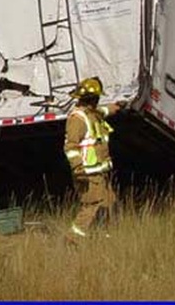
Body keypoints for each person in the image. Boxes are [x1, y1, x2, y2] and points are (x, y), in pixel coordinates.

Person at [63, 76, 125, 239]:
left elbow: (104, 111)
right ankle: (72, 240)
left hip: (100, 173)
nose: (98, 101)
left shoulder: (92, 113)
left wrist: (117, 107)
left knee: (110, 203)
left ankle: (107, 238)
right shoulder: (78, 119)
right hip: (88, 174)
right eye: (97, 98)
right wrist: (78, 169)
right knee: (91, 207)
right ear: (92, 99)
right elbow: (70, 148)